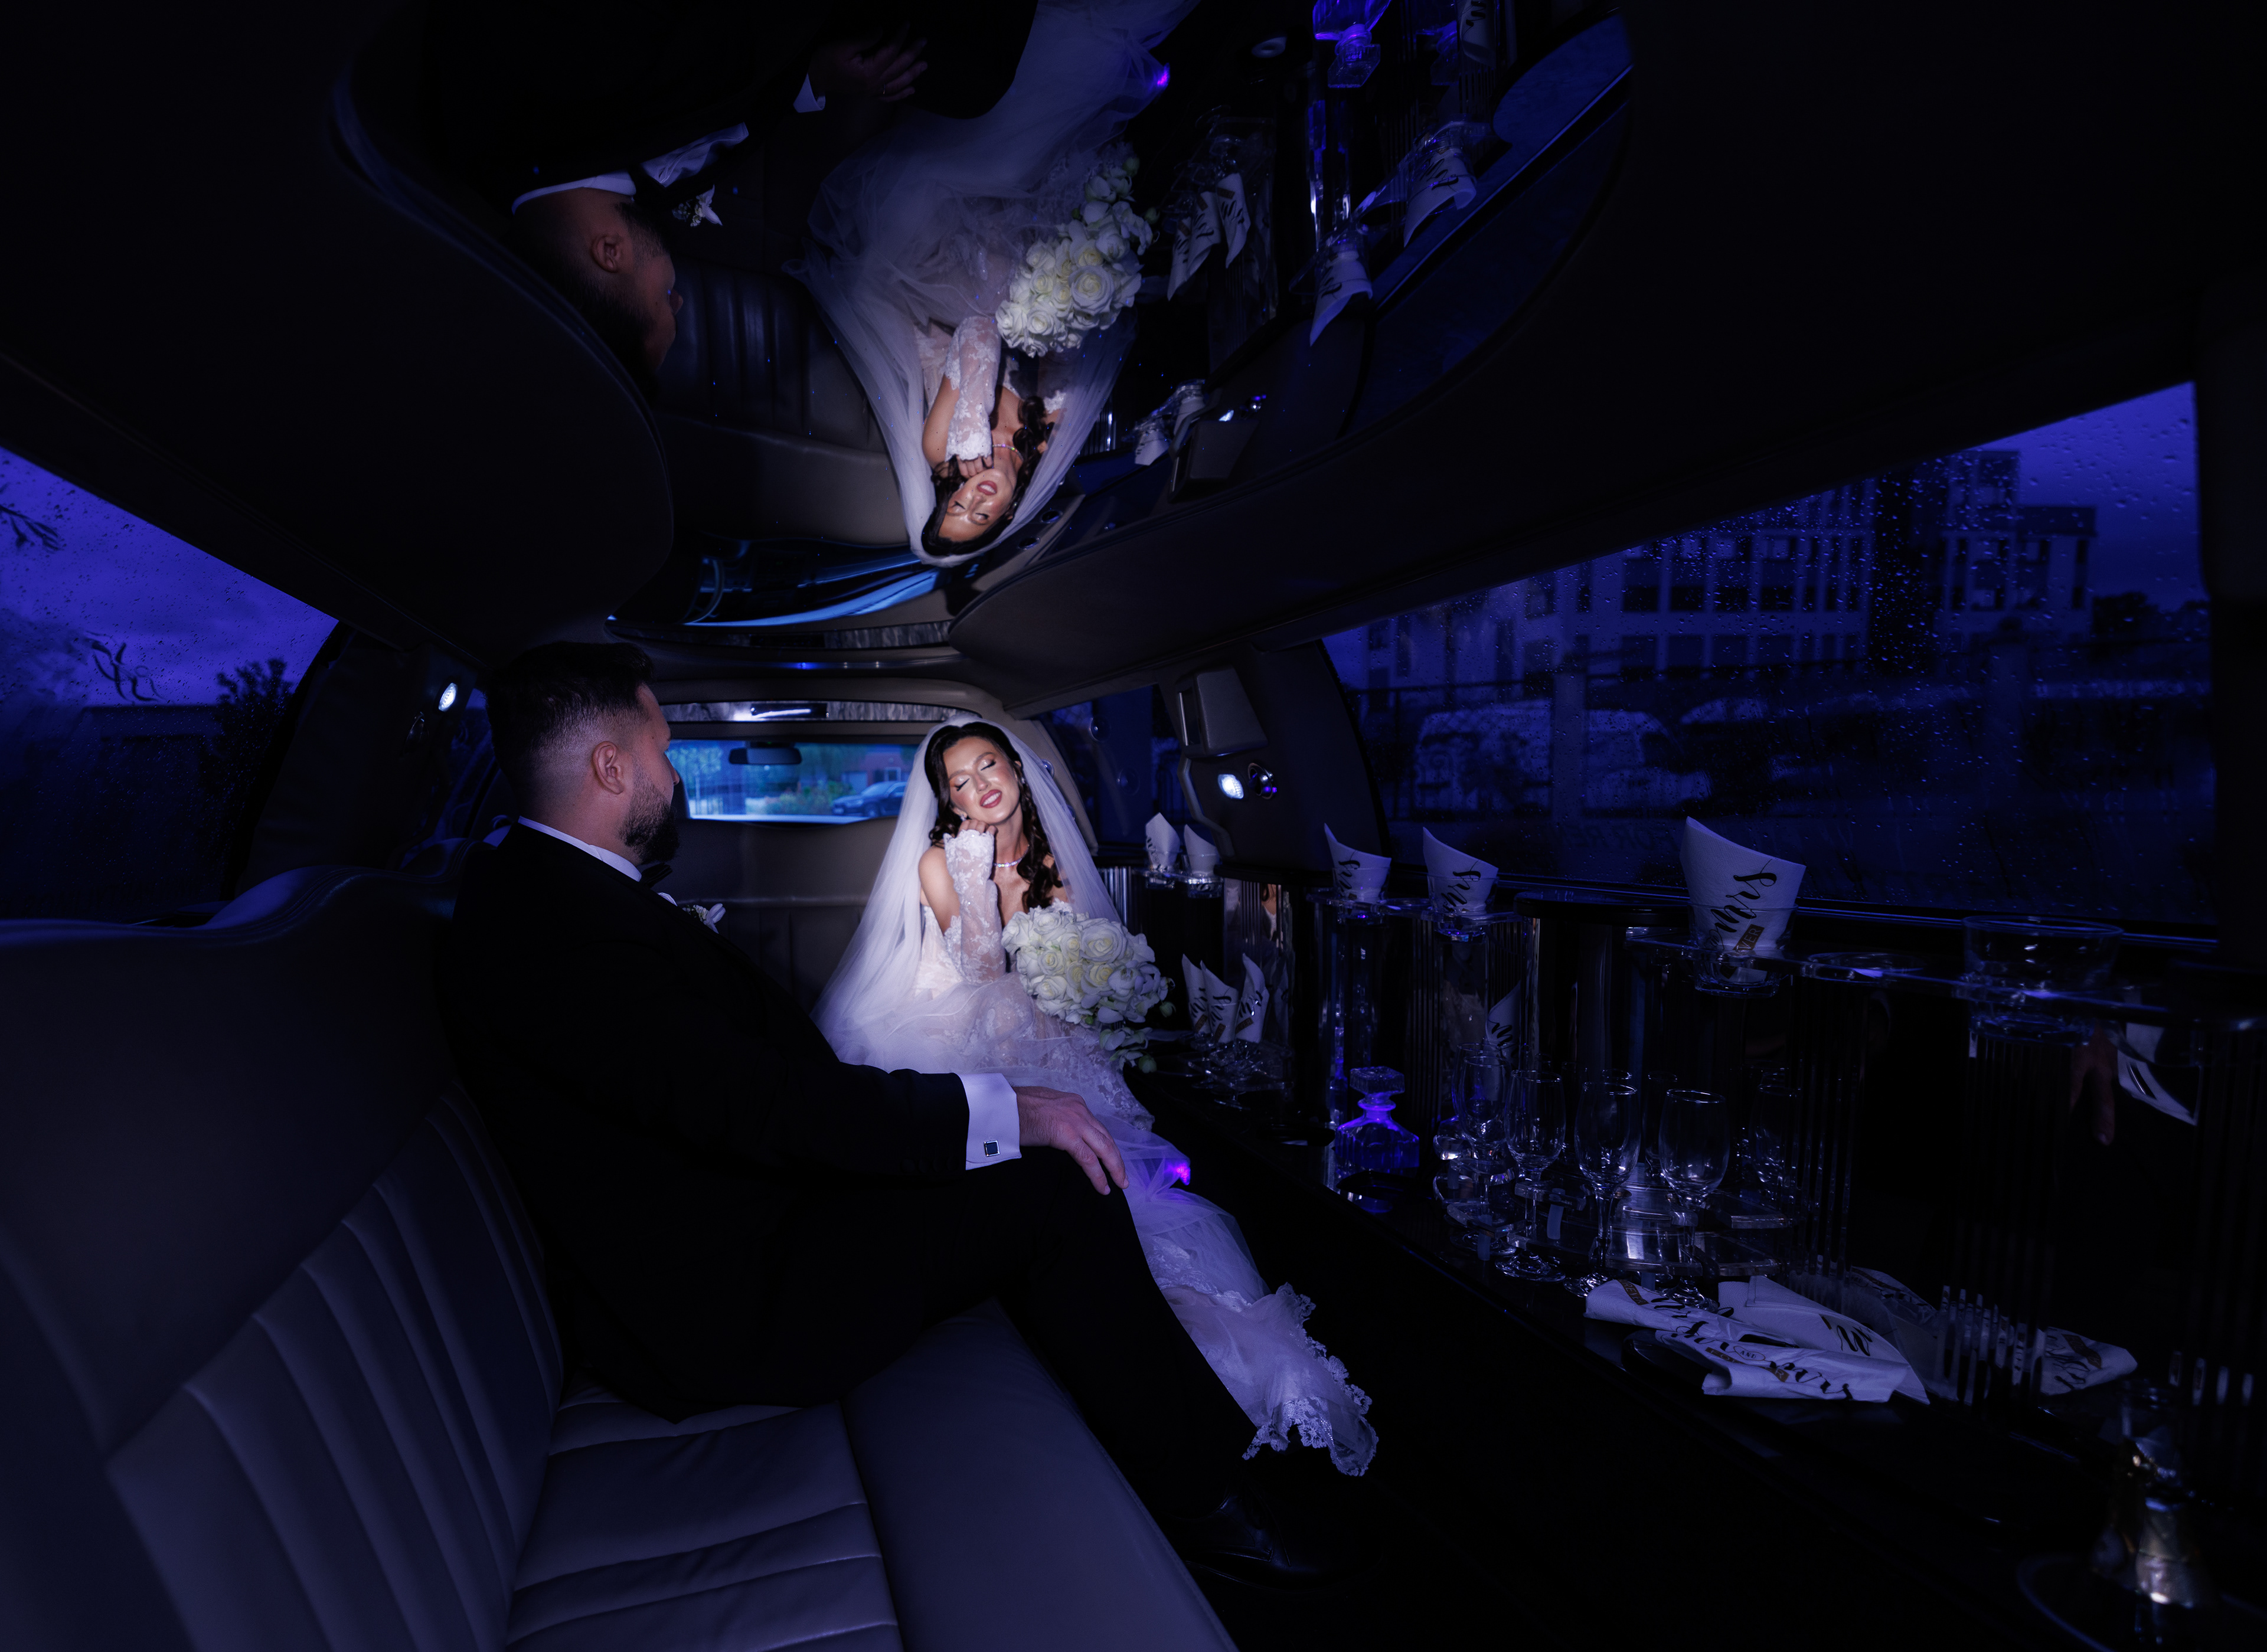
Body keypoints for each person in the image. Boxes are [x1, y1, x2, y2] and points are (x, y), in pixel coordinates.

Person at [437, 642, 1355, 1588]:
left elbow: (727, 1088)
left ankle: (1205, 1463)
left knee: (1029, 1169)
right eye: (663, 752)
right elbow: (751, 1101)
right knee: (1053, 1187)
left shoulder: (552, 895)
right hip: (735, 1299)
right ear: (609, 767)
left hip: (758, 1217)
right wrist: (1000, 1109)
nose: (674, 779)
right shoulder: (556, 927)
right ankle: (1209, 1506)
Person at [814, 719, 1379, 1477]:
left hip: (1050, 1032)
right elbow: (979, 971)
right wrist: (977, 876)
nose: (981, 786)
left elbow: (1085, 971)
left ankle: (1192, 1355)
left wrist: (1093, 994)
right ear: (951, 803)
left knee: (1139, 1170)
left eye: (990, 765)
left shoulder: (1057, 863)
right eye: (961, 783)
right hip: (959, 1029)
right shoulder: (941, 862)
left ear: (1016, 769)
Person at [424, 0, 1035, 390]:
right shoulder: (591, 198)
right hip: (787, 47)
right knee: (970, 83)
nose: (680, 298)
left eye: (664, 302)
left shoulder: (543, 84)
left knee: (973, 71)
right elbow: (715, 106)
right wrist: (815, 77)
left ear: (609, 253)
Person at [795, 0, 1194, 562]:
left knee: (1001, 159)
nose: (971, 498)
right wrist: (1064, 315)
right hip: (1006, 284)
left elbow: (978, 332)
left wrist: (972, 429)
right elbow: (1064, 352)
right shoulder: (1044, 442)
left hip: (935, 282)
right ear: (1007, 514)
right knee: (1071, 214)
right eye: (980, 516)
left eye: (955, 505)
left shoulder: (942, 448)